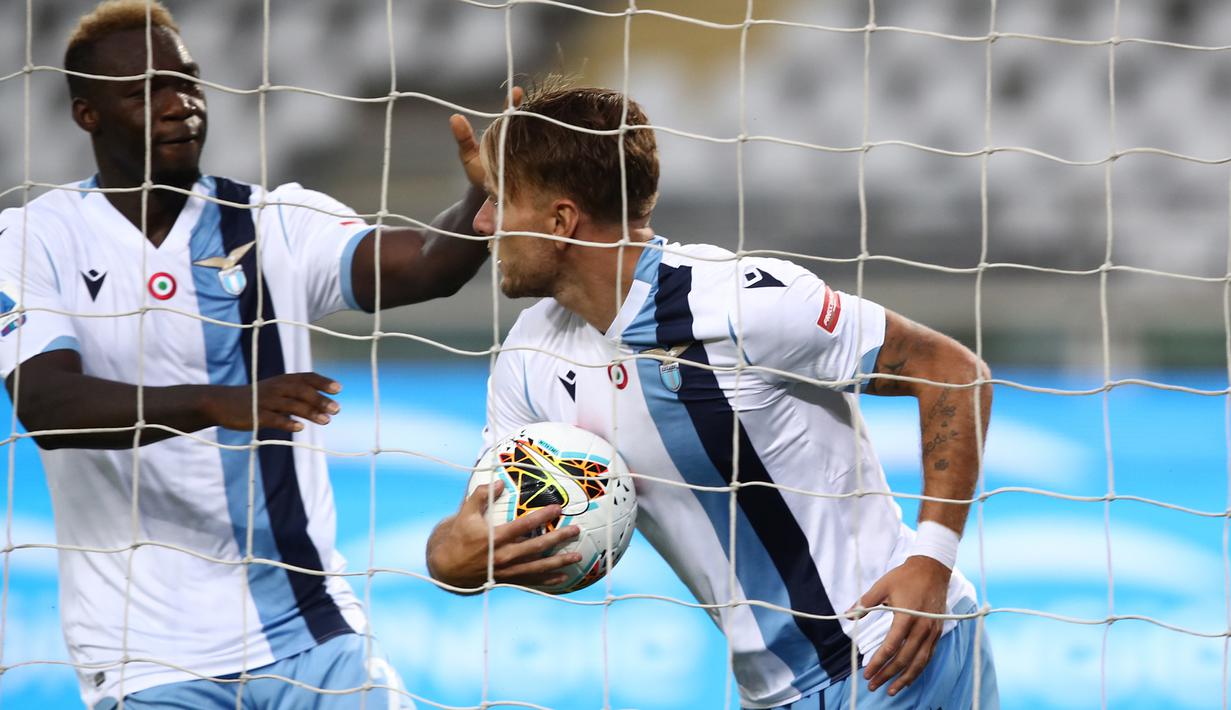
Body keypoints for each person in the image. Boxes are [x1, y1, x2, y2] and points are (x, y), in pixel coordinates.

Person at [425, 83, 1000, 709]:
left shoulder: (738, 302)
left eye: (500, 201)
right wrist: (449, 558)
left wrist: (932, 561)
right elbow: (481, 519)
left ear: (561, 221)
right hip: (771, 692)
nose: (480, 223)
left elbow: (952, 372)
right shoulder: (529, 353)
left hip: (890, 655)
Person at [0, 1, 500, 708]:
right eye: (145, 90)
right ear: (88, 114)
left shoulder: (273, 221)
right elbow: (46, 404)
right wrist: (220, 402)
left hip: (309, 630)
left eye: (188, 80)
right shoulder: (33, 239)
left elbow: (425, 263)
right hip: (143, 655)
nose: (179, 105)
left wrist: (485, 194)